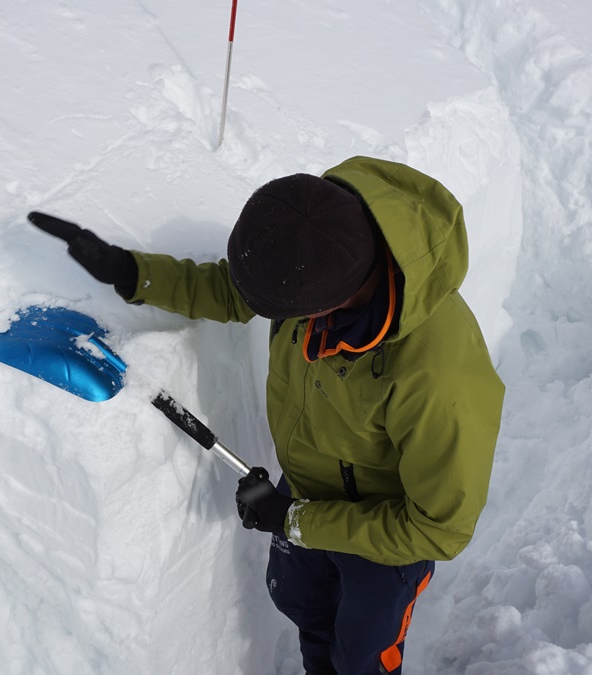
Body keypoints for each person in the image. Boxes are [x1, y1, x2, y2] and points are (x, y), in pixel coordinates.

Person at [32, 156, 504, 675]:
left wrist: (295, 521)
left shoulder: (436, 376)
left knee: (364, 654)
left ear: (327, 304)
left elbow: (440, 529)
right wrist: (132, 273)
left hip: (387, 538)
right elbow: (237, 291)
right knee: (307, 610)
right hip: (305, 491)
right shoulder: (320, 250)